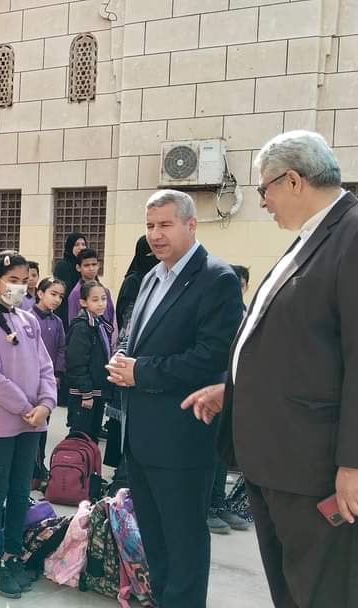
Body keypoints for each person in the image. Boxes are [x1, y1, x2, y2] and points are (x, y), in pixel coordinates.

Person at [184, 130, 358, 608]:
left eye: (264, 189)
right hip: (285, 463)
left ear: (294, 181)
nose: (263, 202)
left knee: (332, 595)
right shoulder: (311, 238)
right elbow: (300, 349)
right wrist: (233, 391)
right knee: (295, 595)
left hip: (329, 470)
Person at [105, 190, 243, 608]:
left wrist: (141, 372)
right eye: (150, 226)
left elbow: (211, 358)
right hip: (141, 438)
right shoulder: (152, 276)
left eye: (165, 225)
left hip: (183, 437)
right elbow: (138, 338)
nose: (156, 234)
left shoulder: (216, 279)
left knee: (184, 544)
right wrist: (123, 358)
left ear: (191, 224)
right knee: (155, 541)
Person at [0, 252, 55, 599]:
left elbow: (45, 366)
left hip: (32, 422)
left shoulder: (28, 319)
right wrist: (26, 407)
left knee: (21, 491)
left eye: (24, 280)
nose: (19, 287)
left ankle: (13, 554)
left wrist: (46, 404)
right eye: (12, 280)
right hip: (1, 423)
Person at [208, 265, 252, 536]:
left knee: (223, 452)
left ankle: (218, 502)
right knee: (209, 452)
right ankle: (206, 507)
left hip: (234, 391)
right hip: (211, 390)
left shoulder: (247, 313)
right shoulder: (213, 312)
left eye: (241, 284)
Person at [64, 280, 114, 442]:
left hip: (97, 392)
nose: (101, 303)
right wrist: (86, 393)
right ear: (83, 302)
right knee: (79, 439)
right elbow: (76, 363)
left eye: (104, 299)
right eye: (95, 300)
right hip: (84, 394)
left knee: (92, 439)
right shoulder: (82, 327)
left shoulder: (100, 323)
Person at [31, 277, 66, 477]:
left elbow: (61, 349)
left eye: (60, 296)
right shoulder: (27, 318)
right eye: (53, 294)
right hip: (30, 380)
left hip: (49, 381)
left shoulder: (57, 322)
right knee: (29, 425)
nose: (57, 300)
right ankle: (29, 465)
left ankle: (40, 464)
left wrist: (57, 373)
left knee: (44, 425)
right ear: (40, 293)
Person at [114, 236, 157, 346]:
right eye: (151, 255)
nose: (156, 260)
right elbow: (128, 321)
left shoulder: (161, 278)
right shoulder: (133, 282)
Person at [63, 248, 115, 329]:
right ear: (78, 267)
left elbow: (111, 317)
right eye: (86, 265)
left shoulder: (105, 291)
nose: (91, 268)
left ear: (98, 265)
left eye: (94, 264)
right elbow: (73, 322)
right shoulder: (76, 294)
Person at [53, 232, 87, 329]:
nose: (81, 247)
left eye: (83, 244)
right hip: (66, 312)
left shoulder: (86, 266)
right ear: (70, 246)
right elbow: (63, 292)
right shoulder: (62, 266)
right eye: (77, 245)